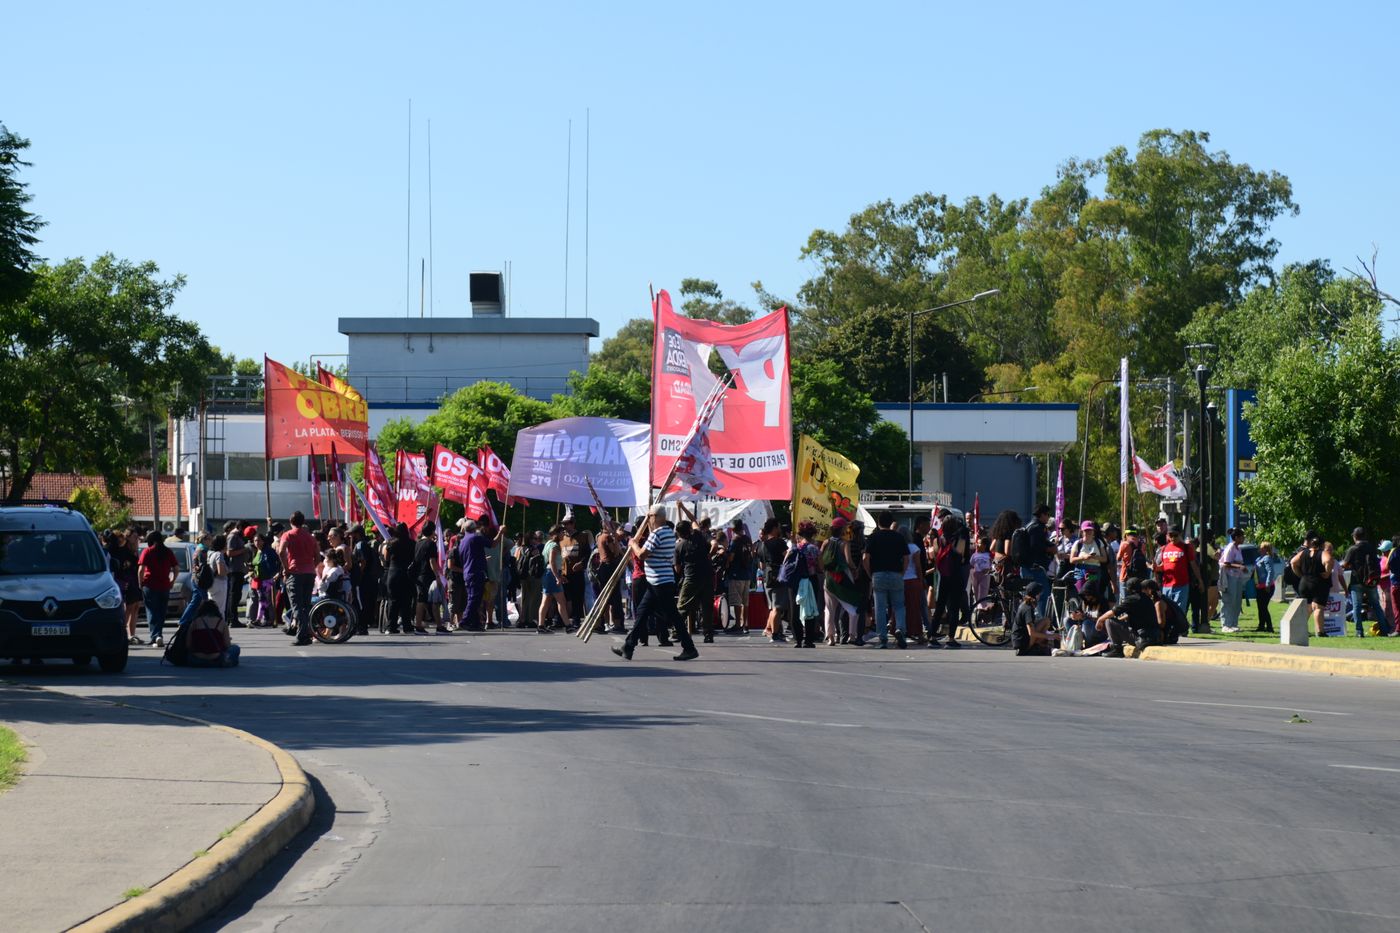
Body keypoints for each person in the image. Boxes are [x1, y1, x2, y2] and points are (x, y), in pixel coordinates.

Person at [615, 506, 698, 661]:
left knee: (672, 616)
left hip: (659, 580)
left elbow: (642, 554)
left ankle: (689, 647)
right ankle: (628, 646)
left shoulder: (657, 533)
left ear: (657, 516)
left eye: (650, 516)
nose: (649, 519)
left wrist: (633, 543)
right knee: (642, 612)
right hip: (659, 580)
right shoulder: (668, 532)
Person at [862, 512, 910, 649]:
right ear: (891, 523)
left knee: (880, 607)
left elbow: (865, 557)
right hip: (896, 574)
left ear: (878, 523)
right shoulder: (899, 537)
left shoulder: (873, 537)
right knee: (899, 605)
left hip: (878, 574)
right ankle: (900, 628)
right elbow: (906, 558)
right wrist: (902, 572)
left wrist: (869, 573)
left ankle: (883, 638)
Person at [821, 517, 864, 647]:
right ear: (843, 529)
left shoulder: (826, 542)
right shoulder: (845, 543)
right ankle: (852, 635)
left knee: (829, 609)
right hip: (843, 577)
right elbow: (849, 561)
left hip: (829, 578)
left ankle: (830, 637)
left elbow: (820, 558)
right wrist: (855, 570)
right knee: (852, 606)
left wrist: (824, 570)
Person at [280, 511, 320, 646]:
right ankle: (303, 631)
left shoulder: (288, 535)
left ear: (291, 522)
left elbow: (281, 552)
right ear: (303, 522)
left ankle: (302, 635)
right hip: (309, 573)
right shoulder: (311, 537)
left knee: (296, 605)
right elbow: (318, 557)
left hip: (295, 572)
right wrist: (311, 567)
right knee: (305, 604)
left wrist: (286, 568)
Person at [1095, 577, 1162, 657]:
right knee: (1114, 621)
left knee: (1109, 620)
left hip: (1141, 638)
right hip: (1154, 637)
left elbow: (1113, 612)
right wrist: (1119, 621)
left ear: (1130, 589)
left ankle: (1117, 649)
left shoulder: (1132, 599)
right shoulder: (1147, 599)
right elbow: (1135, 614)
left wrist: (1100, 619)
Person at [930, 514, 969, 649]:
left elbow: (935, 556)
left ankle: (932, 637)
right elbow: (962, 555)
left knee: (940, 607)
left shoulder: (938, 540)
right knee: (954, 608)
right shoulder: (960, 539)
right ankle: (951, 639)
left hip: (943, 577)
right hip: (956, 575)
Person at [674, 520, 715, 642]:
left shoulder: (679, 546)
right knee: (707, 607)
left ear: (678, 533)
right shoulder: (698, 536)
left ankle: (676, 631)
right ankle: (708, 634)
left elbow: (677, 568)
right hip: (707, 576)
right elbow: (695, 522)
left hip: (691, 577)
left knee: (682, 606)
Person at [137, 531, 179, 647]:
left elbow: (141, 570)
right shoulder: (168, 552)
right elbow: (176, 568)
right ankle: (159, 634)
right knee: (161, 611)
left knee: (151, 611)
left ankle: (155, 636)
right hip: (164, 585)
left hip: (150, 585)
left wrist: (140, 583)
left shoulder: (148, 551)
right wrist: (172, 581)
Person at [1343, 527, 1388, 636]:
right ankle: (1384, 630)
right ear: (1364, 536)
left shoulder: (1353, 549)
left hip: (1356, 581)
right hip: (1371, 580)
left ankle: (1359, 632)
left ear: (1355, 536)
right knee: (1376, 605)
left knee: (1357, 607)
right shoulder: (1371, 548)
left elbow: (1345, 564)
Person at [1290, 532, 1331, 637]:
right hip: (1318, 582)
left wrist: (1300, 574)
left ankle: (1300, 629)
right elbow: (1328, 560)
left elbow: (1293, 562)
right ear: (1321, 545)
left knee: (1307, 608)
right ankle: (1320, 631)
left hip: (1304, 583)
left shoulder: (1303, 553)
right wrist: (1327, 572)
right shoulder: (1322, 553)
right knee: (1318, 608)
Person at [1153, 527, 1197, 620]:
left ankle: (1179, 630)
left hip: (1182, 584)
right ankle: (1170, 629)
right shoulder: (1164, 548)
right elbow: (1162, 566)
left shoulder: (1186, 547)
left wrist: (1199, 580)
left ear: (1180, 534)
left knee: (1179, 609)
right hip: (1166, 585)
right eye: (1170, 535)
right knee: (1167, 609)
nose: (1172, 538)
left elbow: (1193, 565)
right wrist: (1156, 567)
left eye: (1175, 535)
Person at [1020, 505, 1055, 619]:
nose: (1048, 517)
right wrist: (1050, 549)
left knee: (1029, 596)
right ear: (1042, 515)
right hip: (1035, 567)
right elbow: (1035, 546)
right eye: (1047, 515)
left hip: (1028, 566)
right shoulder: (1037, 527)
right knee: (1043, 595)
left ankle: (1029, 622)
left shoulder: (1030, 525)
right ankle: (1042, 623)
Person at [593, 527, 627, 634]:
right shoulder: (607, 537)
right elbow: (615, 552)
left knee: (605, 598)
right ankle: (616, 625)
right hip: (609, 567)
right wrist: (616, 540)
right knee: (615, 598)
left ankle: (599, 624)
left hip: (604, 568)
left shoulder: (600, 536)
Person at [539, 524, 571, 634]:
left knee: (546, 601)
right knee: (561, 601)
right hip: (552, 574)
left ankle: (541, 625)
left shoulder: (548, 543)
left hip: (548, 574)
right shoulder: (554, 546)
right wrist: (558, 577)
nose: (564, 534)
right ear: (556, 534)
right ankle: (568, 625)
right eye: (562, 532)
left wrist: (560, 576)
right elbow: (552, 562)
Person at [410, 522, 441, 635]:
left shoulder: (418, 543)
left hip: (419, 575)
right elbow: (432, 561)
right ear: (432, 531)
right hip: (427, 575)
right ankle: (422, 625)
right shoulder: (430, 544)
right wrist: (437, 575)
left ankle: (422, 624)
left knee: (422, 600)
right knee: (433, 600)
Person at [1217, 528, 1250, 633]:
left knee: (1236, 601)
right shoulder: (1230, 547)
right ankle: (1226, 624)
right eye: (1242, 536)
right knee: (1228, 600)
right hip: (1229, 577)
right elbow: (1226, 563)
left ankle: (1233, 624)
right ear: (1236, 537)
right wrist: (1239, 566)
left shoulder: (1238, 548)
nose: (1243, 538)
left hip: (1237, 577)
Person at [1069, 520, 1111, 602]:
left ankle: (1091, 611)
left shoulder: (1099, 543)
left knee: (1092, 592)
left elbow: (1105, 559)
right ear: (1082, 532)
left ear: (1093, 531)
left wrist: (1095, 557)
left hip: (1094, 570)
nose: (1088, 532)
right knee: (1081, 592)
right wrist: (1083, 558)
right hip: (1080, 570)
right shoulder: (1078, 543)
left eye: (1090, 530)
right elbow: (1072, 560)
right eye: (1086, 530)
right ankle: (1080, 610)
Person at [724, 519, 753, 633]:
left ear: (733, 529)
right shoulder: (747, 539)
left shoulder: (735, 540)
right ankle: (745, 624)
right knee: (745, 602)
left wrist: (726, 560)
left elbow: (731, 557)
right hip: (747, 573)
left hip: (736, 573)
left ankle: (737, 625)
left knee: (737, 601)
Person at [1010, 581, 1053, 656]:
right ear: (1036, 595)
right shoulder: (1028, 609)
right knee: (1044, 623)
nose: (1040, 595)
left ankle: (1037, 645)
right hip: (1021, 642)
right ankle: (1030, 648)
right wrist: (1050, 636)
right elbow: (1031, 633)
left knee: (1046, 621)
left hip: (1019, 639)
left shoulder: (1025, 604)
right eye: (1040, 593)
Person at [514, 531, 545, 631]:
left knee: (525, 598)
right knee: (534, 598)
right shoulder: (534, 549)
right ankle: (531, 619)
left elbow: (517, 561)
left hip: (522, 576)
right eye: (535, 539)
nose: (537, 541)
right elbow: (537, 562)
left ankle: (523, 619)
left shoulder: (520, 549)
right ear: (530, 539)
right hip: (532, 576)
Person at [559, 517, 586, 629]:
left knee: (577, 598)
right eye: (563, 524)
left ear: (573, 524)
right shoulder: (561, 538)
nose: (565, 526)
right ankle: (561, 620)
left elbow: (587, 554)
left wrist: (581, 563)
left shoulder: (582, 537)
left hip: (577, 573)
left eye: (567, 524)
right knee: (562, 598)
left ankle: (576, 620)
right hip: (564, 573)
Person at [223, 521, 249, 628]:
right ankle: (232, 619)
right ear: (239, 528)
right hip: (233, 570)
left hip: (239, 569)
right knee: (233, 595)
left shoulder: (237, 536)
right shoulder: (232, 536)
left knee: (236, 595)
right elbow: (230, 552)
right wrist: (244, 549)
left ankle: (233, 618)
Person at [1253, 542, 1277, 633]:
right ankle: (1261, 625)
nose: (1260, 548)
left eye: (1262, 547)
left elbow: (1270, 572)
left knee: (1263, 607)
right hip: (1259, 586)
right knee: (1260, 607)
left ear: (1266, 549)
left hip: (1266, 587)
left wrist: (1267, 584)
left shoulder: (1267, 558)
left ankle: (1270, 627)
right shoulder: (1259, 558)